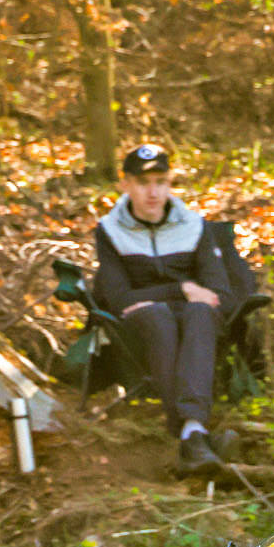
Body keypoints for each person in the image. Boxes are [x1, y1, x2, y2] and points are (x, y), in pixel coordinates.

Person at [93, 143, 235, 475]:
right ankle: (196, 435)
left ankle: (190, 432)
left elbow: (218, 293)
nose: (153, 192)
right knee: (158, 315)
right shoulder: (110, 231)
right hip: (141, 328)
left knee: (200, 312)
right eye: (143, 183)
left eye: (161, 182)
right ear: (125, 184)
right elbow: (118, 297)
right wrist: (181, 289)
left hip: (194, 320)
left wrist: (158, 296)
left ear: (170, 183)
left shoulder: (194, 226)